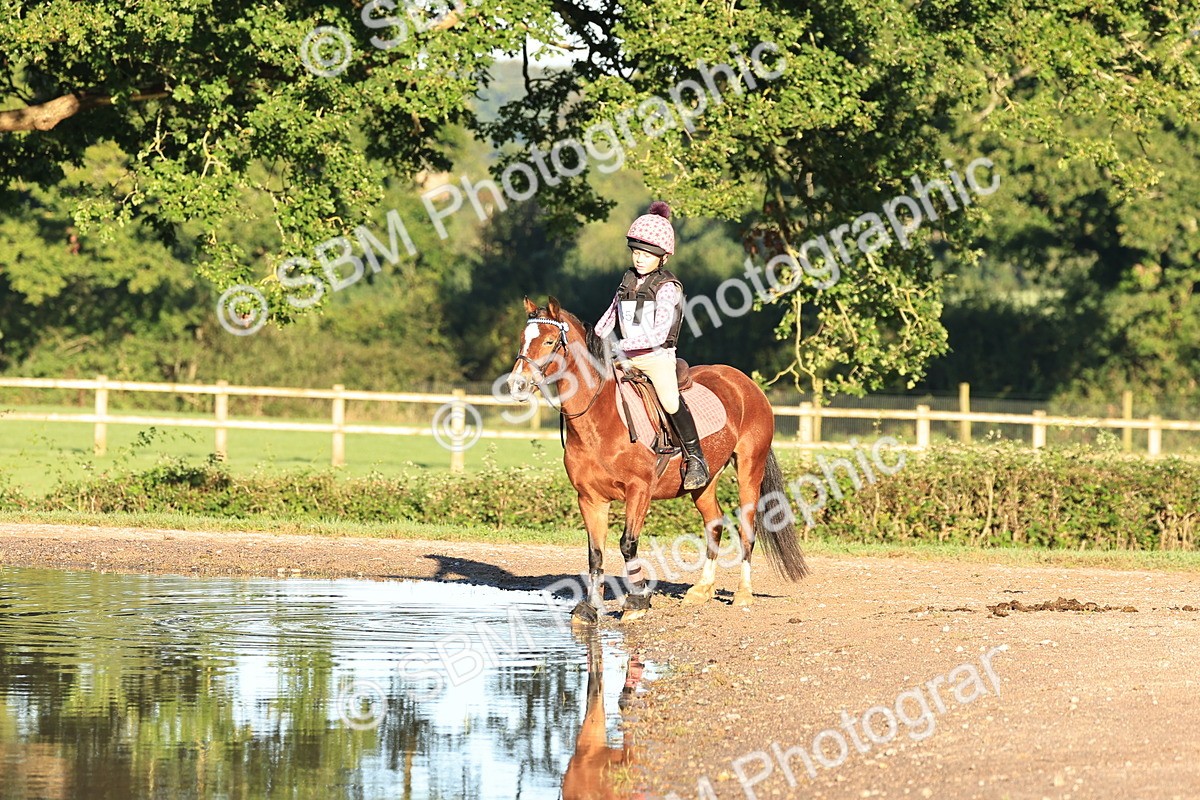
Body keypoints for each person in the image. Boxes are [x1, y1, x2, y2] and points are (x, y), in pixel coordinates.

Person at [595, 201, 710, 490]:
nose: (639, 259)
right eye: (636, 252)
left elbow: (658, 334)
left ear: (662, 258)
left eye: (647, 254)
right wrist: (595, 338)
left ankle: (696, 457)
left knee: (670, 401)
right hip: (625, 358)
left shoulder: (668, 287)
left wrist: (621, 345)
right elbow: (610, 316)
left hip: (657, 358)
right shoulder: (627, 281)